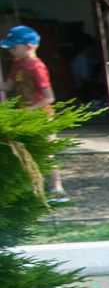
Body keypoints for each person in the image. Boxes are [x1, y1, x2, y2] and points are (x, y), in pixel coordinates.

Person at [3, 25, 68, 202]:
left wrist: (27, 112)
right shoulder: (18, 63)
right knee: (23, 152)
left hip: (41, 116)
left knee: (47, 152)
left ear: (28, 46)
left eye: (13, 47)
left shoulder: (37, 67)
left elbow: (49, 97)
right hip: (23, 115)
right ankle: (31, 188)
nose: (10, 51)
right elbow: (8, 86)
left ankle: (57, 189)